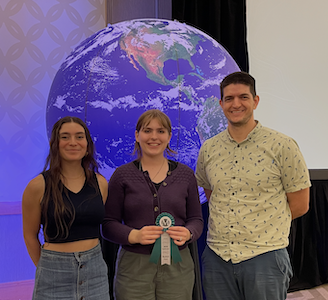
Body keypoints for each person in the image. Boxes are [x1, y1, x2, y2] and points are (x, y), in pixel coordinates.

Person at [195, 71, 311, 300]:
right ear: (221, 104)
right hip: (217, 258)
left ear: (255, 101)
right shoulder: (209, 149)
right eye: (229, 98)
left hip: (265, 258)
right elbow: (213, 195)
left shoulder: (283, 145)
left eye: (243, 97)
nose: (236, 104)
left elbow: (300, 205)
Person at [102, 109, 203, 300]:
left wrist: (189, 232)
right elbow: (108, 225)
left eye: (161, 131)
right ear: (137, 135)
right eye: (147, 130)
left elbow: (196, 219)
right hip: (134, 268)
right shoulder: (122, 175)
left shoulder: (186, 175)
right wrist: (133, 235)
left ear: (169, 136)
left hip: (178, 267)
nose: (154, 137)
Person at [22, 116, 110, 300]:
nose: (73, 142)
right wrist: (47, 268)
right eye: (65, 137)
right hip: (53, 272)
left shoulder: (100, 183)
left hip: (95, 272)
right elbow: (30, 236)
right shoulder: (37, 186)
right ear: (55, 143)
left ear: (87, 144)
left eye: (79, 137)